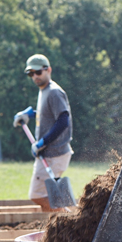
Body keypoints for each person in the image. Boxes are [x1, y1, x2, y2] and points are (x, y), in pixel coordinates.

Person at [13, 54, 73, 212]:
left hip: (53, 154)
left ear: (49, 70)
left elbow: (63, 120)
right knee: (56, 196)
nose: (35, 77)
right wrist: (29, 114)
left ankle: (70, 222)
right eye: (30, 73)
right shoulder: (44, 91)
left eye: (38, 72)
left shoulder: (54, 92)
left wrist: (43, 142)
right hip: (51, 154)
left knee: (37, 195)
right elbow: (48, 114)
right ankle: (63, 227)